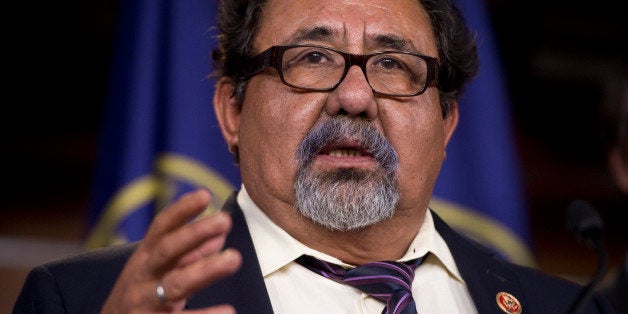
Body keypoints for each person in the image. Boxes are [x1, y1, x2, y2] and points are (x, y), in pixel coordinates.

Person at [13, 0, 616, 313]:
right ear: (232, 111)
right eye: (312, 58)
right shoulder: (83, 303)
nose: (354, 99)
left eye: (392, 64)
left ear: (447, 123)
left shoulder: (567, 308)